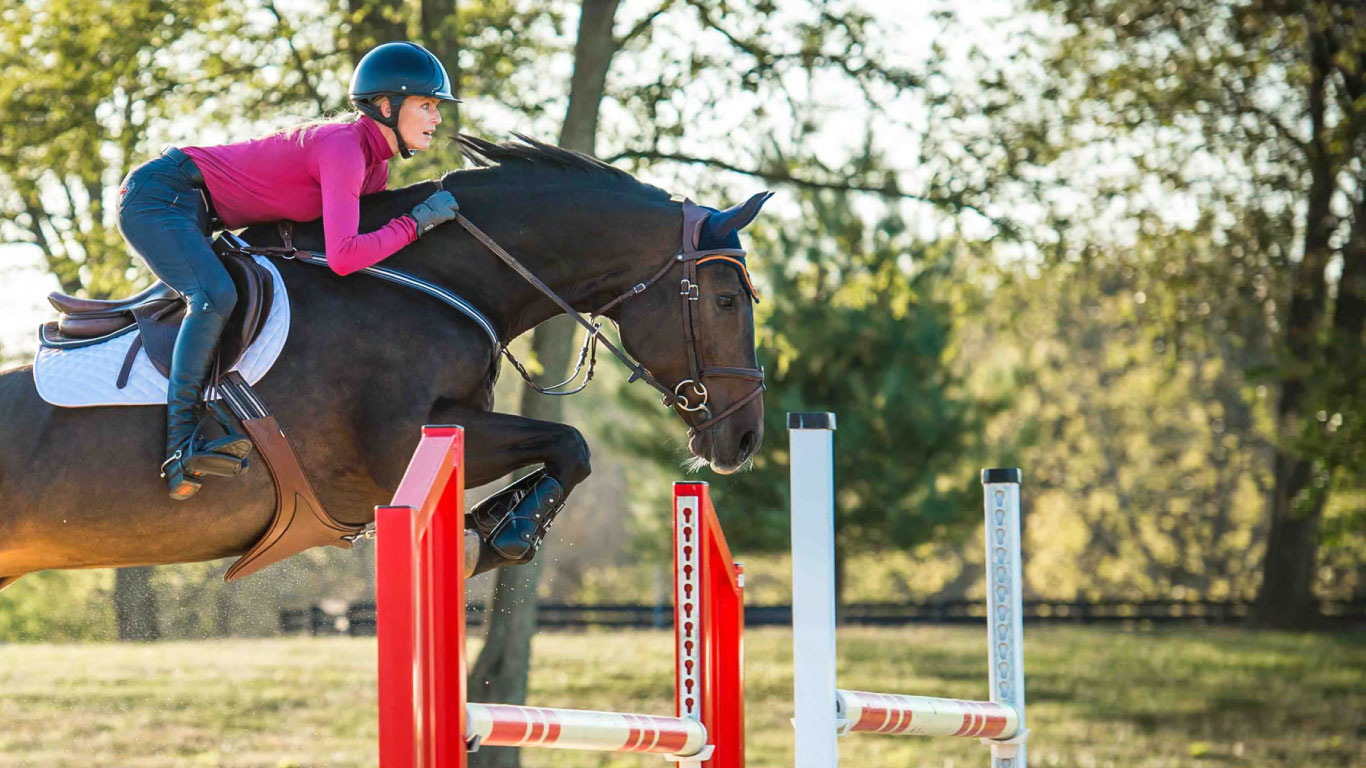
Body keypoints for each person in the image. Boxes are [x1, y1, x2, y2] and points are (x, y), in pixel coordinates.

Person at [116, 41, 462, 500]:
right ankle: (181, 443)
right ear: (386, 106)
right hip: (160, 195)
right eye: (426, 105)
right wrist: (415, 224)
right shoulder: (344, 149)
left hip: (196, 207)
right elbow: (344, 255)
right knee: (215, 295)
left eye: (437, 107)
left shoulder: (372, 168)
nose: (437, 118)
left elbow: (361, 255)